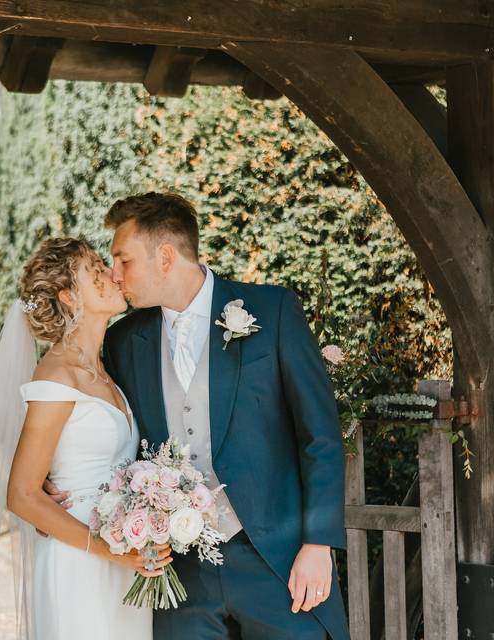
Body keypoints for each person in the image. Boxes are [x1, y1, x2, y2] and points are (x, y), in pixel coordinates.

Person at [95, 192, 349, 640]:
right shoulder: (123, 342)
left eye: (123, 261)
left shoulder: (271, 312)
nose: (115, 276)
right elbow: (114, 432)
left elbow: (321, 436)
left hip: (278, 559)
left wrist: (318, 543)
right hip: (180, 574)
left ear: (166, 257)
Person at [0, 237, 167, 640]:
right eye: (95, 271)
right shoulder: (56, 377)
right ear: (69, 296)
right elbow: (21, 494)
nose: (112, 275)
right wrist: (110, 550)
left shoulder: (107, 369)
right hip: (79, 562)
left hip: (121, 560)